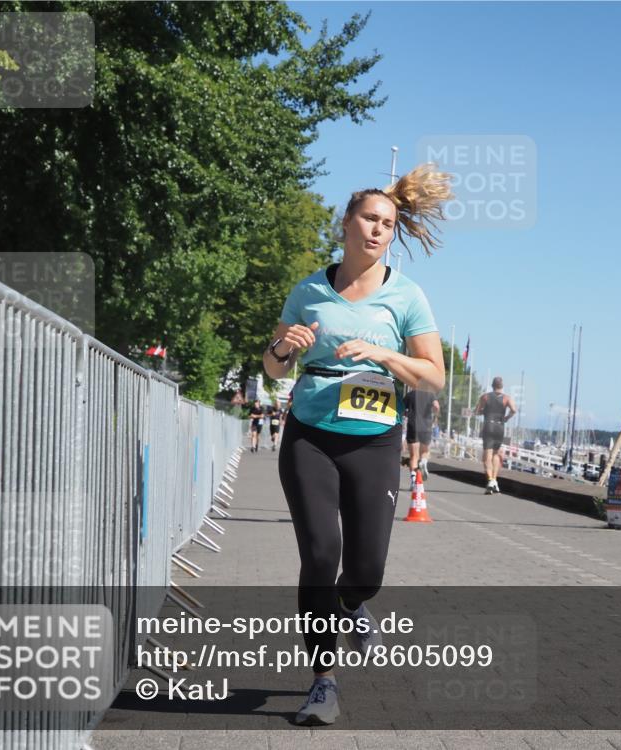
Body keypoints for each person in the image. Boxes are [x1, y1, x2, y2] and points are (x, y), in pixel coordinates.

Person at [262, 164, 451, 726]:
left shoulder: (407, 296)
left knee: (365, 570)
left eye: (387, 224)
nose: (377, 230)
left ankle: (352, 604)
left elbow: (435, 376)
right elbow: (272, 366)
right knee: (320, 555)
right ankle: (323, 681)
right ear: (346, 223)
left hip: (374, 440)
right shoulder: (309, 290)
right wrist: (283, 346)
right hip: (310, 436)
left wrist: (384, 355)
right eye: (369, 219)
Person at [475, 377, 516, 494]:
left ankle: (490, 480)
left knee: (487, 455)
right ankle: (494, 480)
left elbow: (477, 411)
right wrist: (506, 418)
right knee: (496, 454)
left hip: (489, 425)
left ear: (492, 386)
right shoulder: (507, 398)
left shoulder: (485, 397)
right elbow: (514, 410)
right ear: (502, 387)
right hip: (500, 427)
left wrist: (485, 411)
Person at [403, 389, 439, 489]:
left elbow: (401, 409)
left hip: (413, 425)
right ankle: (423, 462)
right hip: (426, 426)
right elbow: (436, 406)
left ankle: (414, 481)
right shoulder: (431, 394)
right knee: (425, 452)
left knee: (414, 456)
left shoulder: (410, 394)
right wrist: (435, 416)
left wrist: (406, 414)